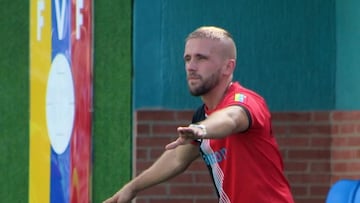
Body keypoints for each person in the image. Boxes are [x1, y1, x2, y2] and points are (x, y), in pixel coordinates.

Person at [103, 26, 294, 203]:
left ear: (228, 67)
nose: (191, 66)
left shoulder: (246, 101)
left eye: (201, 58)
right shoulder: (201, 115)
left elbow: (231, 118)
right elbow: (177, 158)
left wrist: (202, 129)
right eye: (187, 58)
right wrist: (133, 188)